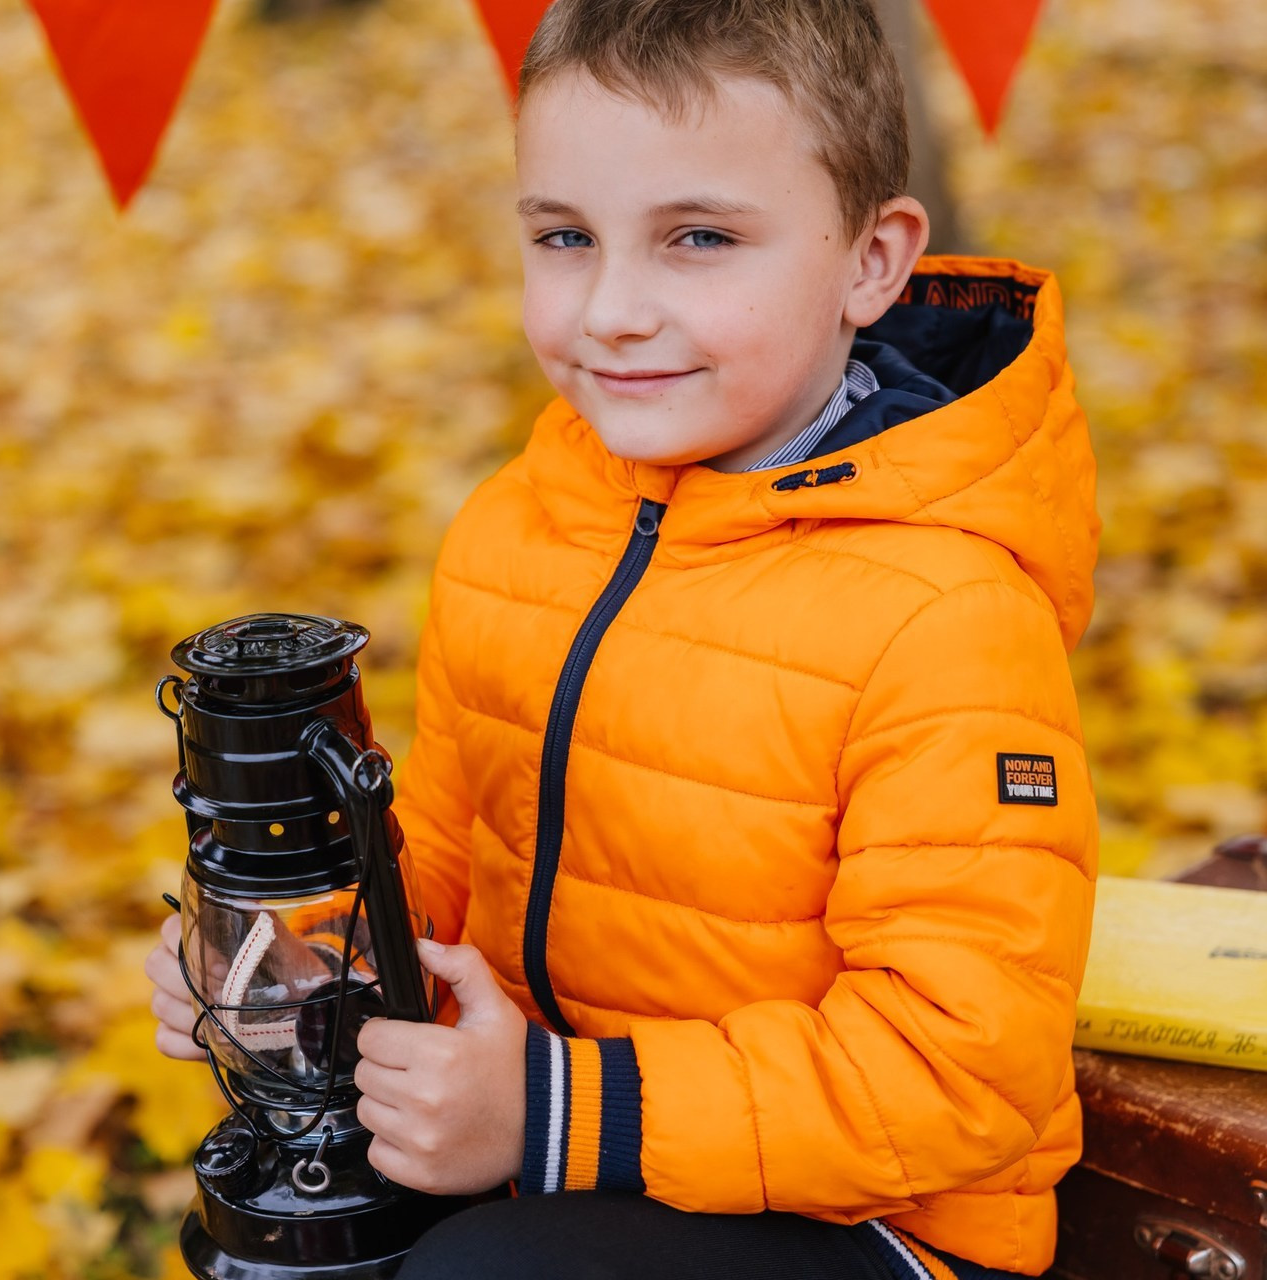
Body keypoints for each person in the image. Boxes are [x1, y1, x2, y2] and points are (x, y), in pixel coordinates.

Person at [147, 1, 1100, 1276]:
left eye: (698, 238)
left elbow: (955, 1072)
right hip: (557, 1134)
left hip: (874, 1219)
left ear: (870, 260)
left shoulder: (944, 618)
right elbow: (444, 841)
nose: (610, 309)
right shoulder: (515, 526)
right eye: (563, 237)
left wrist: (551, 1110)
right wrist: (297, 956)